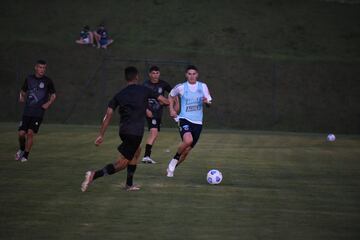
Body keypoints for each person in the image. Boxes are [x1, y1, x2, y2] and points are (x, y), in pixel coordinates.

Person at [81, 66, 169, 192]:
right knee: (122, 164)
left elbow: (108, 116)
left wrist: (101, 135)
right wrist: (172, 101)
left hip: (123, 131)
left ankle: (129, 184)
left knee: (136, 151)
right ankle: (94, 175)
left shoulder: (119, 95)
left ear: (126, 78)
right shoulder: (144, 90)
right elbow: (164, 101)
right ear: (137, 77)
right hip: (135, 132)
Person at [166, 65, 212, 177]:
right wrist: (171, 109)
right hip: (184, 119)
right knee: (188, 140)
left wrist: (206, 102)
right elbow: (171, 96)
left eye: (194, 74)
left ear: (197, 75)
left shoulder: (203, 86)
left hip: (198, 123)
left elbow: (209, 103)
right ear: (186, 75)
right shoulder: (181, 87)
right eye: (189, 74)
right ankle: (175, 158)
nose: (192, 76)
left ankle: (171, 168)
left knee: (186, 152)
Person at [15, 60, 56, 162]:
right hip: (27, 111)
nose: (42, 70)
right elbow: (23, 91)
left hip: (38, 112)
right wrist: (21, 96)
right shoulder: (29, 78)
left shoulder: (48, 81)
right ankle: (21, 149)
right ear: (36, 68)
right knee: (21, 134)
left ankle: (25, 156)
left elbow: (54, 95)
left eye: (44, 68)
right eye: (40, 67)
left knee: (30, 133)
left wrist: (48, 103)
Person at [142, 65, 178, 164]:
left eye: (157, 73)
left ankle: (146, 156)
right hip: (150, 112)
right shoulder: (145, 85)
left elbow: (173, 93)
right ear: (150, 74)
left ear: (159, 74)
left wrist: (176, 104)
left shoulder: (163, 84)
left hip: (158, 113)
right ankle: (146, 156)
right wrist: (146, 110)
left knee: (155, 133)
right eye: (153, 73)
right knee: (154, 132)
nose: (155, 75)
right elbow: (141, 98)